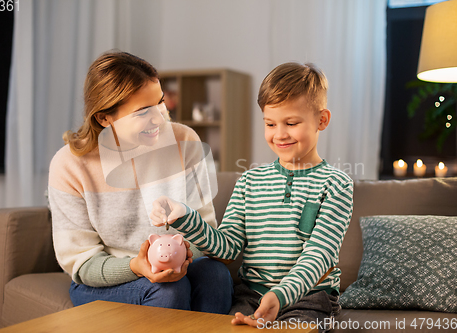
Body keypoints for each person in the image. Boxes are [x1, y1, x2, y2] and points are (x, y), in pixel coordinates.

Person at [150, 62, 354, 331]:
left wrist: (280, 295)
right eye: (270, 123)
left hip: (308, 297)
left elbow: (320, 255)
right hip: (251, 296)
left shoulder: (337, 184)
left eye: (291, 123)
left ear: (322, 120)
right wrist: (185, 217)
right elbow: (227, 247)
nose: (279, 134)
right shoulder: (249, 181)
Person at [48, 50, 233, 313]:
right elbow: (83, 264)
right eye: (143, 111)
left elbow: (205, 232)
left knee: (215, 275)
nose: (160, 118)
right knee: (168, 289)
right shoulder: (69, 164)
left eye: (160, 103)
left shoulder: (185, 142)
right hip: (103, 280)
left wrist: (182, 256)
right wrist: (137, 265)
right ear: (104, 117)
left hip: (175, 261)